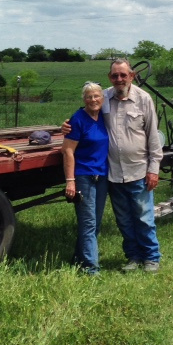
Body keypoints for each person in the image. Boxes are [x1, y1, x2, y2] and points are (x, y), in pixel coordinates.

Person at [62, 59, 163, 273]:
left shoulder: (143, 100)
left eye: (123, 75)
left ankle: (151, 257)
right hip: (114, 174)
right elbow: (88, 108)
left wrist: (154, 169)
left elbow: (153, 137)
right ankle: (134, 257)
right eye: (115, 75)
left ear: (132, 76)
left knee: (144, 218)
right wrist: (67, 125)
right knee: (124, 220)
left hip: (138, 170)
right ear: (110, 78)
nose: (119, 79)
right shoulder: (105, 96)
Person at [61, 82, 109, 275]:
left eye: (96, 96)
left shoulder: (104, 118)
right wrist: (70, 180)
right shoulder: (77, 119)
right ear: (84, 100)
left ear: (102, 98)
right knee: (88, 223)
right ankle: (91, 269)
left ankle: (78, 259)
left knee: (95, 223)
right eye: (89, 97)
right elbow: (68, 151)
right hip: (84, 176)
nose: (93, 100)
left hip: (103, 175)